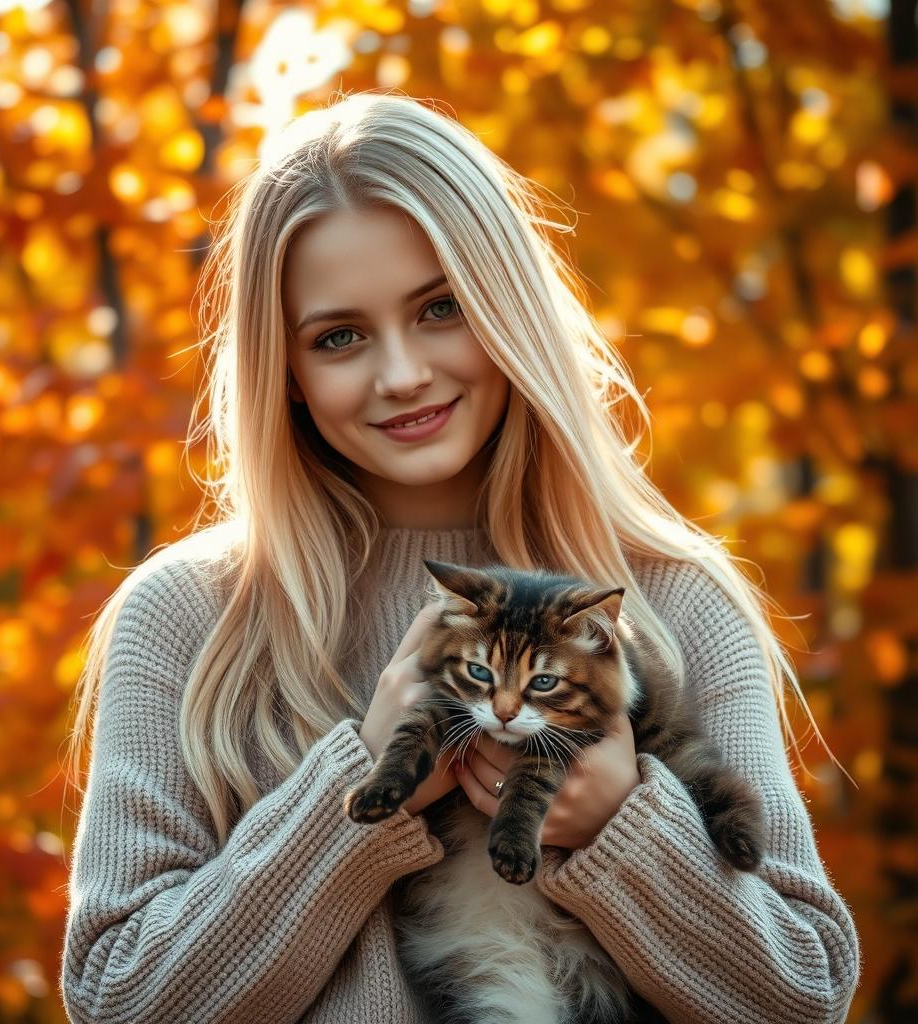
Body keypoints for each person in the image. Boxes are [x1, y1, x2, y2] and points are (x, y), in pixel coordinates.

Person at [59, 90, 861, 1024]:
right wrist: (365, 789)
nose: (401, 374)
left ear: (506, 302)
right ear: (287, 371)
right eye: (341, 337)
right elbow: (119, 998)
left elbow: (803, 992)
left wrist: (628, 827)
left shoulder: (669, 604)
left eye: (440, 307)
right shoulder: (193, 618)